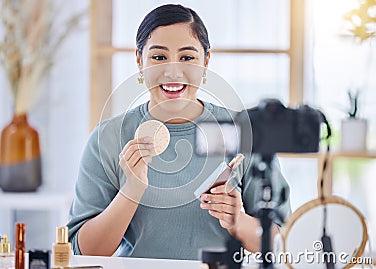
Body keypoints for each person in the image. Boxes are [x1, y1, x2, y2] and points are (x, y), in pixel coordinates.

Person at [67, 4, 291, 260]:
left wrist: (237, 220)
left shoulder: (244, 132)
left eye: (187, 58)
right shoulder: (108, 137)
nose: (173, 72)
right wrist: (132, 190)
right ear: (140, 61)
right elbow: (82, 251)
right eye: (159, 57)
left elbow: (283, 241)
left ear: (206, 62)